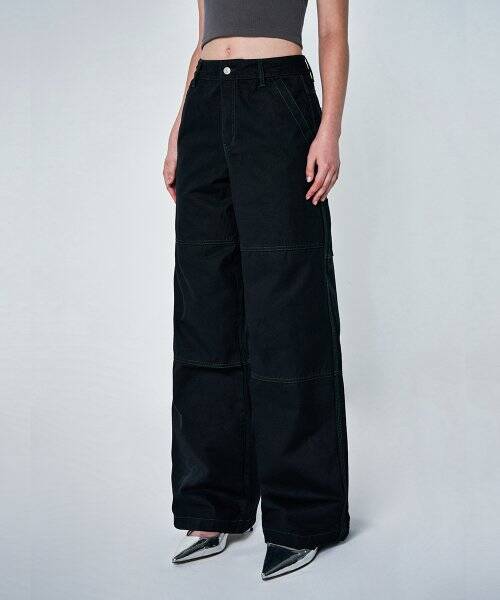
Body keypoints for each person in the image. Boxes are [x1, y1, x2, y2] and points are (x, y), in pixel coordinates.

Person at [163, 0, 350, 580]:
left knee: (287, 310)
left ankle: (303, 515)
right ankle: (213, 504)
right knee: (205, 310)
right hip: (205, 103)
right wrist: (179, 128)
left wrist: (330, 129)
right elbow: (203, 39)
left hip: (278, 98)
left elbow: (333, 32)